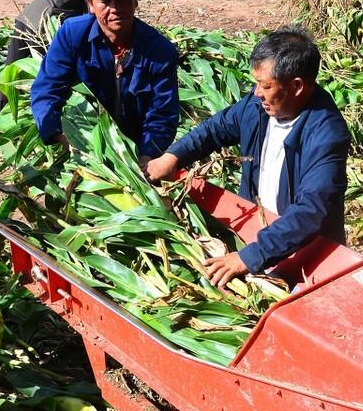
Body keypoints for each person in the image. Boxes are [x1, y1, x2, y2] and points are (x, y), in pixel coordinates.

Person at [145, 27, 350, 287]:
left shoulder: (326, 135)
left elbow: (309, 211)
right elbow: (214, 130)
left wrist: (249, 257)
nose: (256, 92)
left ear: (297, 86)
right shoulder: (258, 107)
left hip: (303, 248)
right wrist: (173, 157)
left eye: (266, 85)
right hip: (257, 229)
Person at [30, 0, 180, 161]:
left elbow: (162, 114)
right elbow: (47, 89)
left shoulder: (160, 50)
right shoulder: (72, 35)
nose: (115, 8)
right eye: (105, 0)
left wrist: (147, 155)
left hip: (136, 144)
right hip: (86, 137)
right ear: (90, 3)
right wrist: (59, 135)